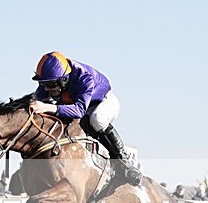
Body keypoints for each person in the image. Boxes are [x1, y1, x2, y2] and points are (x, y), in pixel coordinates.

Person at [28, 51, 142, 186]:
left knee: (97, 119)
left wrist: (49, 107)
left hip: (101, 103)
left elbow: (79, 110)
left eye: (51, 85)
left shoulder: (84, 77)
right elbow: (35, 101)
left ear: (64, 79)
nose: (46, 89)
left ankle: (125, 162)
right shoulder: (51, 81)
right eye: (43, 84)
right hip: (76, 105)